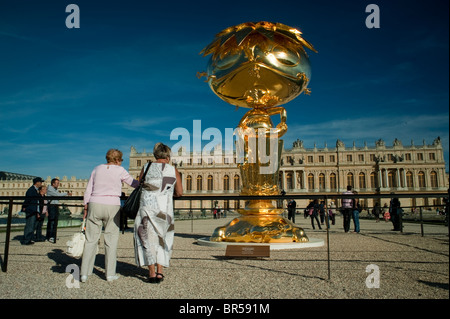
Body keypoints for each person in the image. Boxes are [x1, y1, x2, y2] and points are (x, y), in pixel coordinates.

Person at [80, 149, 139, 283]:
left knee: (90, 240)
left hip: (95, 203)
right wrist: (142, 181)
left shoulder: (96, 169)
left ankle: (84, 273)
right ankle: (110, 274)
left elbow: (88, 189)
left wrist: (85, 206)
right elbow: (133, 183)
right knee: (111, 241)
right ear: (118, 160)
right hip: (112, 205)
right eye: (121, 160)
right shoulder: (120, 170)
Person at [134, 143, 182, 284]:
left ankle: (151, 272)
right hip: (164, 209)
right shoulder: (173, 170)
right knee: (163, 238)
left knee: (146, 239)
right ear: (168, 156)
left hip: (147, 207)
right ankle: (160, 271)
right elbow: (179, 192)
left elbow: (139, 185)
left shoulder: (146, 167)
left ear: (155, 155)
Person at [46, 178, 71, 243]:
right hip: (52, 206)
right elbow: (57, 195)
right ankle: (50, 236)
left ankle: (53, 235)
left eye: (58, 183)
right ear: (53, 183)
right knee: (51, 221)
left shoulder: (55, 189)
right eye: (57, 183)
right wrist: (66, 193)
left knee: (54, 221)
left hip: (55, 206)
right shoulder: (50, 189)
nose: (58, 184)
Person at [21, 177, 44, 245]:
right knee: (30, 225)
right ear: (37, 182)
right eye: (40, 182)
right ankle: (26, 240)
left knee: (32, 225)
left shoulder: (35, 190)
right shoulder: (31, 190)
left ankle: (29, 239)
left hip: (34, 210)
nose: (41, 183)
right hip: (31, 210)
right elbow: (27, 199)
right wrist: (24, 206)